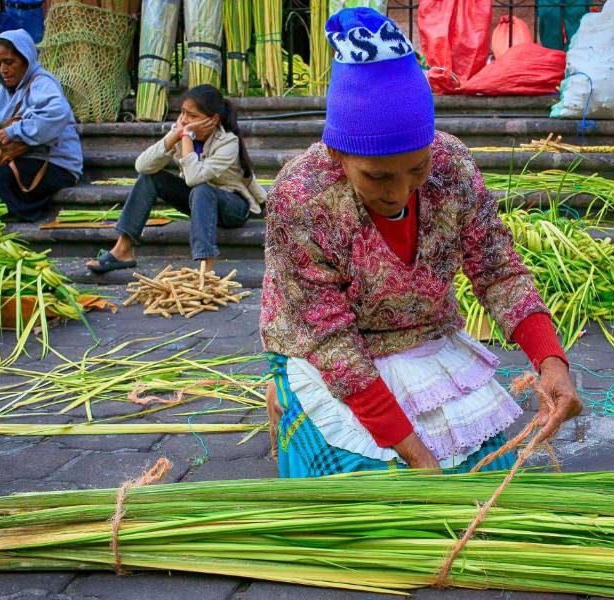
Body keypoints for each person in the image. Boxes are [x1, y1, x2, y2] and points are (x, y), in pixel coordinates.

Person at [260, 8, 582, 478]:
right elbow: (330, 339)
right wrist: (417, 456)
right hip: (327, 346)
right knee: (366, 489)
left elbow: (498, 270)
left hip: (425, 336)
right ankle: (286, 386)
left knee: (481, 473)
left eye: (417, 168)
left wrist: (551, 362)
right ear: (336, 154)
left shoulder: (451, 167)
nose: (399, 191)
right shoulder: (303, 197)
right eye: (378, 176)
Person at [86, 84, 266, 274]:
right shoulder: (181, 131)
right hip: (199, 202)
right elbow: (142, 166)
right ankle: (122, 250)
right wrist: (174, 136)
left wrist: (186, 137)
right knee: (150, 178)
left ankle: (206, 269)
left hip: (232, 208)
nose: (185, 120)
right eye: (183, 113)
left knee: (202, 189)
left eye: (193, 116)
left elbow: (194, 179)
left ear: (213, 120)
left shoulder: (228, 142)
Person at [0, 29, 82, 222]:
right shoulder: (3, 92)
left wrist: (14, 131)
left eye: (9, 62)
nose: (3, 69)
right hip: (26, 159)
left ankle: (27, 214)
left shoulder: (42, 83)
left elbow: (56, 113)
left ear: (26, 60)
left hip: (57, 163)